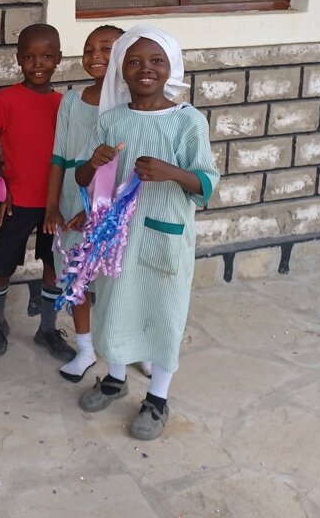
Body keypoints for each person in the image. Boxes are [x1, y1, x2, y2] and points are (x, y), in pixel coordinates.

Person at [75, 25, 218, 440]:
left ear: (172, 66)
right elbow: (83, 180)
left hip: (163, 235)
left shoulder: (187, 121)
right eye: (134, 61)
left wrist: (172, 172)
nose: (145, 69)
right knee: (115, 305)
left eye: (156, 60)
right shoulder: (112, 120)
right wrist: (92, 163)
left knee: (163, 311)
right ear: (121, 70)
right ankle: (115, 378)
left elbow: (207, 183)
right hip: (117, 238)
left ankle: (157, 398)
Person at [0, 23, 75, 362]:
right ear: (18, 59)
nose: (38, 64)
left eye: (46, 57)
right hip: (18, 199)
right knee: (2, 265)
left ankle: (47, 329)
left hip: (54, 203)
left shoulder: (65, 104)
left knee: (52, 264)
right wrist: (3, 183)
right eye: (30, 57)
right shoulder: (7, 98)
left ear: (58, 59)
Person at [43, 24, 124, 382]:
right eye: (89, 49)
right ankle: (86, 348)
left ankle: (126, 347)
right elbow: (58, 157)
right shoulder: (72, 102)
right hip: (69, 200)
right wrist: (51, 207)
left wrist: (95, 209)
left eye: (106, 49)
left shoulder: (130, 105)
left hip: (112, 206)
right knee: (77, 276)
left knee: (115, 281)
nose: (95, 56)